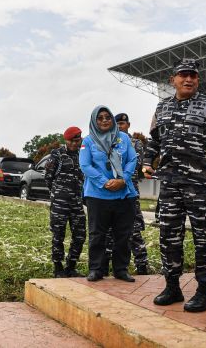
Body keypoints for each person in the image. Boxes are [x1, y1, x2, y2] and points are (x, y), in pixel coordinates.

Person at [142, 58, 206, 312]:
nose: (188, 79)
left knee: (205, 239)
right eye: (183, 75)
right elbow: (154, 141)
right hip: (170, 185)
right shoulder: (162, 108)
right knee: (169, 237)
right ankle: (172, 287)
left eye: (193, 75)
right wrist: (147, 162)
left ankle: (204, 292)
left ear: (198, 79)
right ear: (173, 79)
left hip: (200, 185)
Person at [79, 105, 139, 282]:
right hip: (98, 195)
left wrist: (123, 179)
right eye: (100, 118)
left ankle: (121, 270)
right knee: (97, 234)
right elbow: (85, 165)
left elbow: (132, 159)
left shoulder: (124, 138)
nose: (104, 120)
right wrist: (104, 182)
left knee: (123, 235)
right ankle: (96, 269)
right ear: (94, 121)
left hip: (124, 194)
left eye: (107, 117)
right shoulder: (88, 141)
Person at [103, 113, 150, 275]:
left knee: (134, 229)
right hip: (111, 191)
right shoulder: (107, 142)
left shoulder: (135, 143)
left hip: (130, 191)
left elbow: (135, 165)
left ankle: (142, 264)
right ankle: (106, 265)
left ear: (128, 125)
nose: (120, 126)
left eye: (123, 123)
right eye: (117, 124)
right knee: (109, 229)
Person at [44, 126, 86, 278]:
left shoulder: (83, 155)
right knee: (58, 234)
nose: (75, 143)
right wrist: (56, 193)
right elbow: (48, 177)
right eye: (72, 141)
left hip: (77, 202)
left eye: (77, 140)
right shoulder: (57, 154)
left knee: (80, 235)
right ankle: (58, 267)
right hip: (60, 202)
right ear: (66, 140)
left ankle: (71, 266)